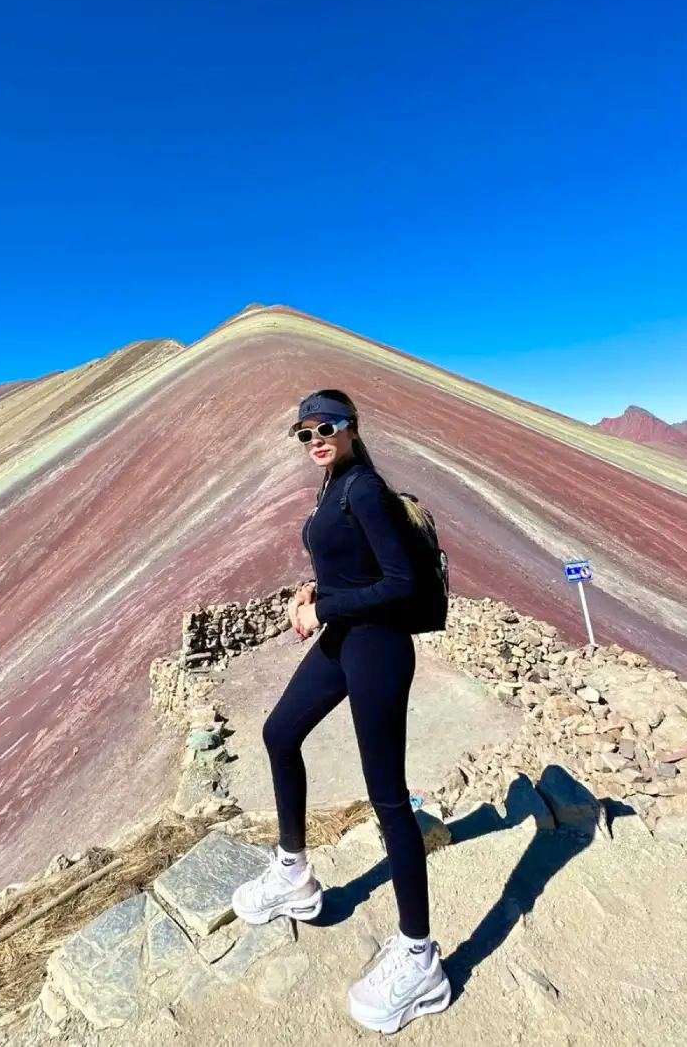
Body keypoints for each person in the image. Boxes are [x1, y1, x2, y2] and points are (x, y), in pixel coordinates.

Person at [231, 389, 452, 1034]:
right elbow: (344, 565)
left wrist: (322, 608)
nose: (315, 438)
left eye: (325, 426)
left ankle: (420, 960)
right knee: (279, 733)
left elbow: (399, 584)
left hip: (377, 650)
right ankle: (295, 874)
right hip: (341, 642)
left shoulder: (363, 488)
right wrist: (313, 591)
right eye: (304, 432)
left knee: (387, 799)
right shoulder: (332, 487)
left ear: (352, 427)